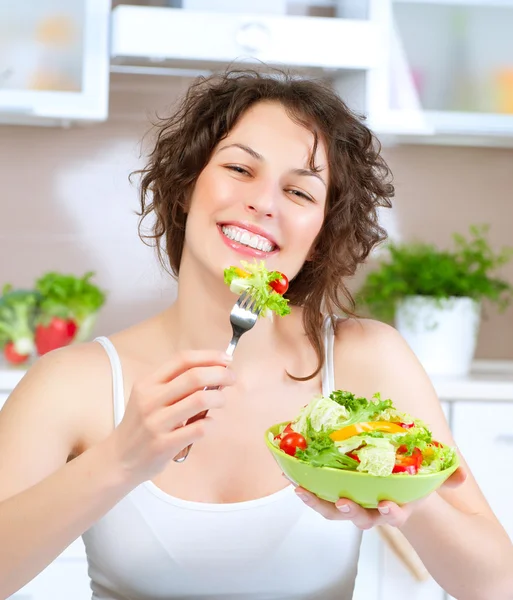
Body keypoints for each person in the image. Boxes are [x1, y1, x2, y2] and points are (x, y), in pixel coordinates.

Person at [0, 68, 512, 600]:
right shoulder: (71, 384)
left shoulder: (366, 363)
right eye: (240, 168)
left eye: (298, 191)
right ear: (185, 188)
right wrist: (119, 461)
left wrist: (403, 495)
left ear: (318, 237)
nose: (264, 203)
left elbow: (498, 585)